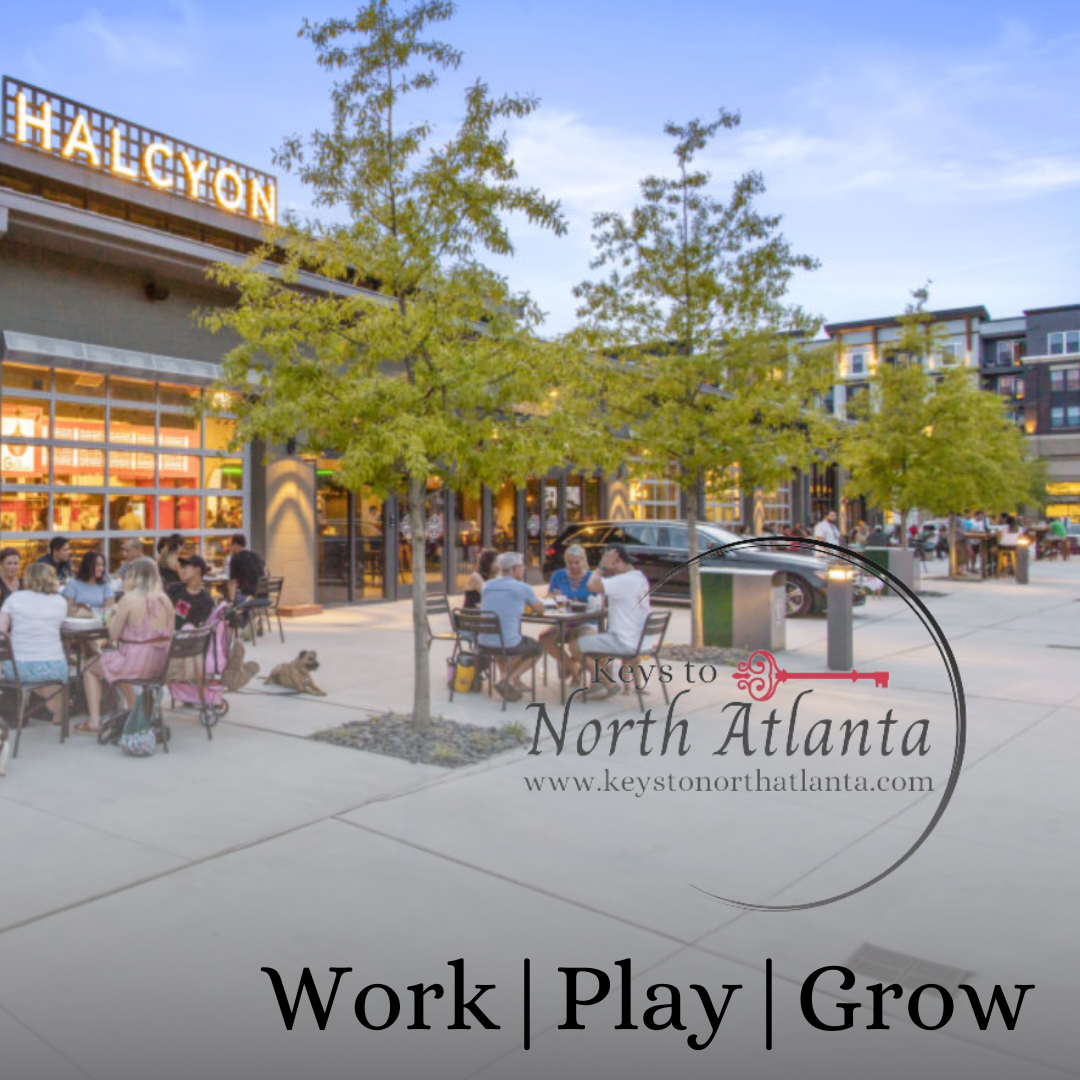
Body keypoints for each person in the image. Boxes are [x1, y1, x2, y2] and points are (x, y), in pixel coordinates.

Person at [79, 557, 173, 734]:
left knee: (90, 667)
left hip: (134, 662)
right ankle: (133, 707)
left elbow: (113, 635)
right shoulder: (165, 600)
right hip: (160, 664)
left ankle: (94, 722)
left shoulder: (129, 599)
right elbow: (170, 631)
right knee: (114, 666)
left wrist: (115, 616)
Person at [569, 543, 651, 700]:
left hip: (624, 641)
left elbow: (591, 585)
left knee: (575, 645)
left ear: (616, 560)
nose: (608, 569)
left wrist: (601, 568)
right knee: (595, 642)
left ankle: (610, 684)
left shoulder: (623, 581)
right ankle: (597, 683)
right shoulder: (639, 577)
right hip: (641, 641)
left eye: (608, 561)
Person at [0, 562, 69, 725]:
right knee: (48, 675)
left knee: (27, 674)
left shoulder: (14, 598)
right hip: (54, 667)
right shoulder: (60, 601)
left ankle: (20, 713)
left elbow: (2, 634)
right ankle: (58, 713)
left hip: (19, 669)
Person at [478, 551, 544, 702]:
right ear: (515, 569)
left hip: (484, 642)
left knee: (505, 639)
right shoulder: (521, 587)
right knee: (537, 648)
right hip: (506, 643)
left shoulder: (487, 586)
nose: (523, 570)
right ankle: (507, 679)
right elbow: (540, 608)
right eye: (521, 567)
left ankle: (511, 681)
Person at [539, 544, 596, 676]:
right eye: (570, 563)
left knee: (577, 644)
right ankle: (571, 667)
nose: (573, 566)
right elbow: (549, 596)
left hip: (586, 621)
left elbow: (598, 602)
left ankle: (577, 667)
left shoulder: (592, 577)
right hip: (563, 621)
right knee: (545, 638)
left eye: (577, 562)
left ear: (584, 561)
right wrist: (553, 596)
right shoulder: (558, 575)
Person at [63, 551, 116, 618]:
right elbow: (68, 611)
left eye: (102, 565)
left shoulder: (106, 586)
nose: (101, 568)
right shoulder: (73, 584)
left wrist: (89, 613)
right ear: (88, 566)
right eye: (97, 565)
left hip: (99, 625)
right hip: (77, 624)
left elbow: (109, 612)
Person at [167, 555, 215, 631]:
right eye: (182, 566)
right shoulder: (174, 590)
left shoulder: (206, 601)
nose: (183, 569)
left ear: (197, 570)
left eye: (186, 566)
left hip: (195, 641)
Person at [227, 533, 265, 600]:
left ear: (236, 545)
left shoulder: (236, 559)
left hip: (249, 598)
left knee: (229, 599)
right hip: (263, 597)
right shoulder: (255, 556)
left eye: (230, 546)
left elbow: (232, 584)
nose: (230, 549)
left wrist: (231, 600)